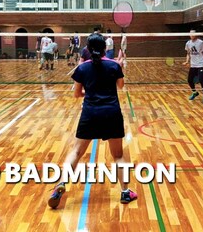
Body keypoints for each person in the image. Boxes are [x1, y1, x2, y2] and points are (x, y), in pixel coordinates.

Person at [48, 33, 138, 208]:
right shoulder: (113, 65)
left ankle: (61, 184)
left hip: (90, 113)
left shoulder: (82, 68)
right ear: (105, 48)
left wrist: (90, 93)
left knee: (76, 152)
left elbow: (76, 95)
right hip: (111, 113)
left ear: (87, 49)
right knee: (118, 155)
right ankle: (125, 193)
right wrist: (120, 67)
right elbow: (120, 86)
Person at [183, 29, 203, 103]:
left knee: (201, 80)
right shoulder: (188, 43)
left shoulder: (201, 42)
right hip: (193, 65)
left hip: (200, 64)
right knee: (189, 80)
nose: (191, 35)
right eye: (190, 34)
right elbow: (188, 53)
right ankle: (194, 92)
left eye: (193, 34)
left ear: (196, 34)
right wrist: (187, 61)